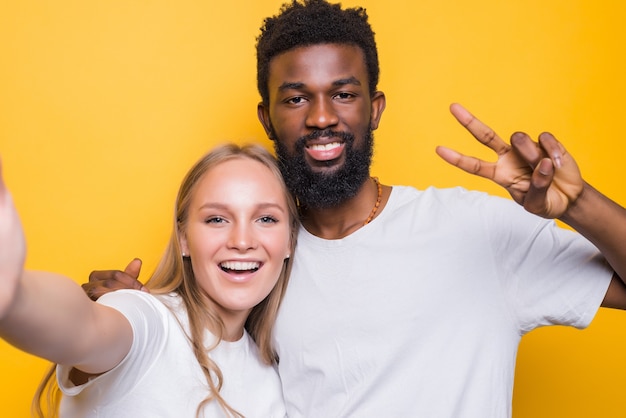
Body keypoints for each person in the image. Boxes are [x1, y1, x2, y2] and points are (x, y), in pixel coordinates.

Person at [87, 0, 626, 416]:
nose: (322, 117)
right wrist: (135, 323)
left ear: (375, 109)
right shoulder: (254, 262)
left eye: (343, 94)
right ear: (268, 116)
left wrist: (577, 205)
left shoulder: (474, 229)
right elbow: (194, 355)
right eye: (296, 98)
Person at [0, 143, 298, 417]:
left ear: (289, 242)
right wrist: (15, 293)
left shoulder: (274, 383)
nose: (242, 241)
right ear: (184, 239)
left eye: (266, 219)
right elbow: (84, 327)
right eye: (216, 219)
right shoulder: (150, 321)